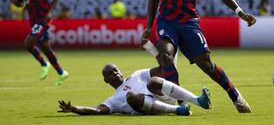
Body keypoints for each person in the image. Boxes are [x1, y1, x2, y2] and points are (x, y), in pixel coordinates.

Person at [140, 0, 256, 113]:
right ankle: (181, 105)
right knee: (166, 55)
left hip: (189, 23)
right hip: (167, 21)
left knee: (207, 66)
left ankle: (236, 97)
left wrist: (239, 11)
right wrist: (149, 26)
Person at [58, 63, 211, 115]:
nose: (115, 73)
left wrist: (164, 57)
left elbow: (162, 69)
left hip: (163, 98)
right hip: (149, 108)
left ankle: (197, 100)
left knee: (154, 81)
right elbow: (97, 110)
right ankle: (178, 110)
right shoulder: (113, 100)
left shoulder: (136, 75)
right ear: (106, 80)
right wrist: (74, 108)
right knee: (131, 96)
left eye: (116, 70)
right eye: (110, 74)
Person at [12, 0, 69, 86]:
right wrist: (16, 2)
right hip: (32, 21)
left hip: (43, 20)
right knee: (46, 48)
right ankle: (61, 72)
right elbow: (20, 2)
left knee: (28, 43)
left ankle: (44, 64)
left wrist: (50, 12)